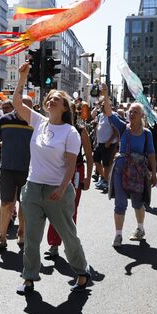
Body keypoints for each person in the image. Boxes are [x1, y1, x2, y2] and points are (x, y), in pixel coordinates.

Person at [12, 63, 90, 294]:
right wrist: (22, 79)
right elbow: (17, 103)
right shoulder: (38, 121)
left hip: (58, 190)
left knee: (68, 235)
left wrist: (63, 187)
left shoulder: (70, 132)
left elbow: (70, 165)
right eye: (49, 98)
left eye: (56, 99)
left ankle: (82, 272)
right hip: (33, 188)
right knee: (31, 237)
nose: (51, 100)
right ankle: (29, 278)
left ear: (65, 107)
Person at [101, 84, 157, 247]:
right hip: (120, 169)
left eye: (135, 112)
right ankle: (118, 235)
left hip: (138, 172)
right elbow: (109, 113)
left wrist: (153, 174)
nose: (131, 114)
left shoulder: (147, 134)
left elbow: (152, 154)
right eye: (130, 111)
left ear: (141, 116)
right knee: (120, 203)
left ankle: (140, 229)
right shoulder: (122, 127)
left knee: (137, 202)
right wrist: (105, 95)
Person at [45, 107, 94, 258]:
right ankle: (54, 243)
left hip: (76, 172)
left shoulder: (81, 131)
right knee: (54, 206)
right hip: (57, 171)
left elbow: (89, 155)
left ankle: (69, 243)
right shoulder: (53, 128)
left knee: (71, 208)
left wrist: (88, 178)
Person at [0, 99, 32, 249]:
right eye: (24, 106)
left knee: (24, 204)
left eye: (29, 107)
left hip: (29, 170)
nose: (27, 109)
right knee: (6, 203)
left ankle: (21, 233)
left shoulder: (36, 122)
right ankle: (2, 237)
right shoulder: (4, 120)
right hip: (7, 168)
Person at [92, 100, 117, 191]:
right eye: (101, 106)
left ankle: (106, 182)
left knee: (106, 164)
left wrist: (109, 141)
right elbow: (97, 128)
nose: (102, 107)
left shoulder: (112, 116)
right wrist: (95, 140)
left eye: (104, 106)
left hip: (108, 144)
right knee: (96, 160)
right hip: (100, 143)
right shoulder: (101, 116)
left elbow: (116, 131)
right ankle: (103, 178)